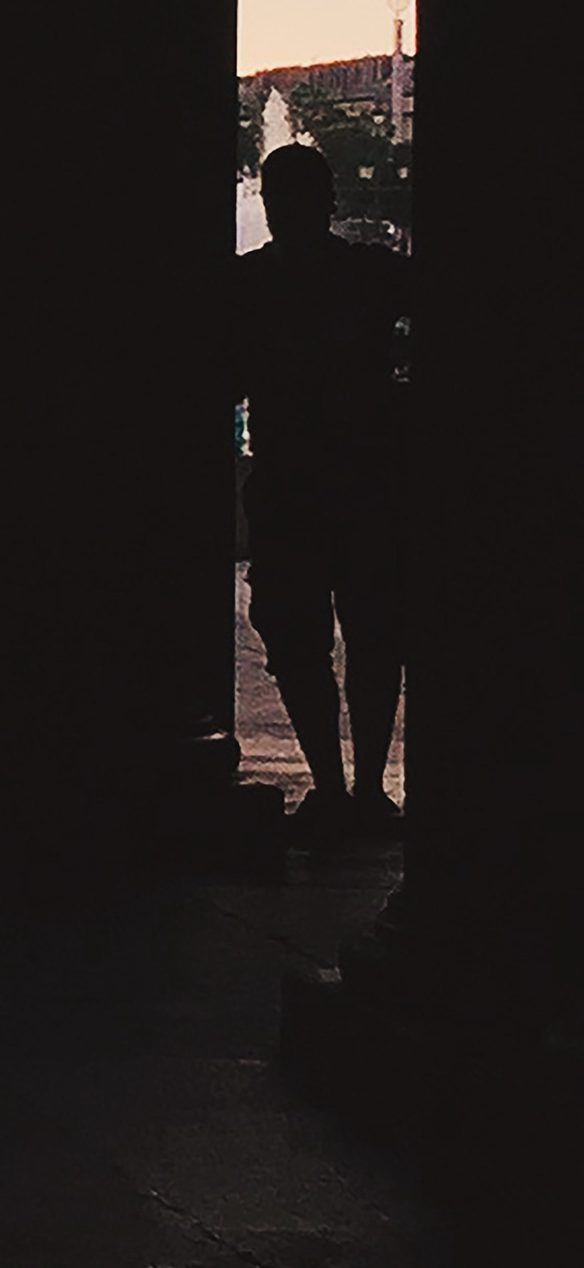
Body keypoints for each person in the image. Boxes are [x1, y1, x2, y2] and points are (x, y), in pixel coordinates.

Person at [223, 138, 413, 846]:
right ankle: (366, 788)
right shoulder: (370, 274)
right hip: (368, 483)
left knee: (297, 642)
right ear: (332, 201)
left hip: (287, 486)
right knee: (374, 635)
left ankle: (332, 787)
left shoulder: (246, 284)